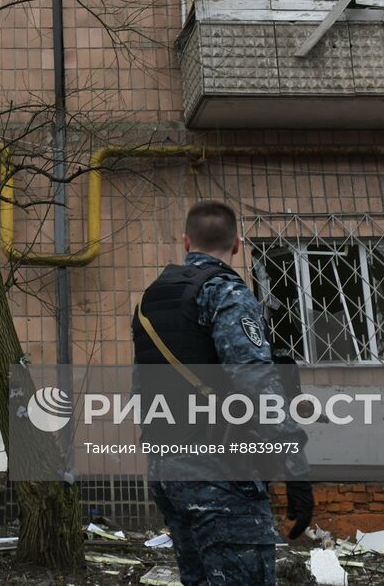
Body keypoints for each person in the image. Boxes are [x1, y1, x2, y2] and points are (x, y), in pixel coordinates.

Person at [131, 199, 313, 586]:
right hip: (221, 474)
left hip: (167, 470)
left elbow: (142, 388)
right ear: (236, 245)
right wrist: (295, 469)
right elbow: (254, 380)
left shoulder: (151, 299)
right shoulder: (225, 292)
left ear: (185, 241)